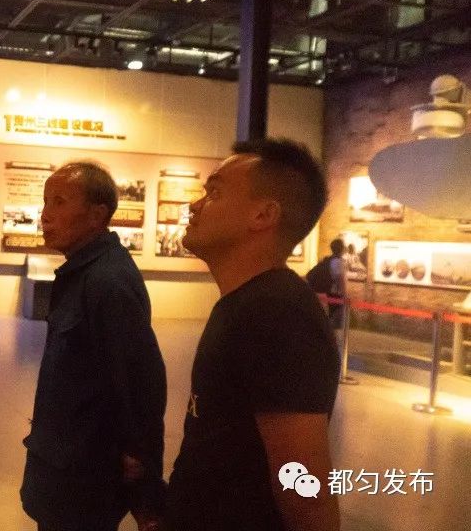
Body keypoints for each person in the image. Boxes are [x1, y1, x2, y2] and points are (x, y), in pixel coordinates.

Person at [165, 139, 341, 531]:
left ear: (263, 215)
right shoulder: (247, 304)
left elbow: (302, 483)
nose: (195, 205)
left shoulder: (279, 314)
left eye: (214, 193)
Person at [21, 161, 167, 531]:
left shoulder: (107, 281)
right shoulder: (83, 272)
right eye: (45, 202)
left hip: (84, 478)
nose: (45, 215)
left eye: (59, 202)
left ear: (96, 215)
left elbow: (139, 384)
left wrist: (142, 479)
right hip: (63, 467)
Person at [326, 239, 348, 330]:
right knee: (337, 321)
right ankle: (334, 336)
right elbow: (340, 279)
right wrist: (345, 295)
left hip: (331, 293)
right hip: (337, 294)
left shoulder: (331, 260)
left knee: (332, 315)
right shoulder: (338, 262)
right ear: (341, 249)